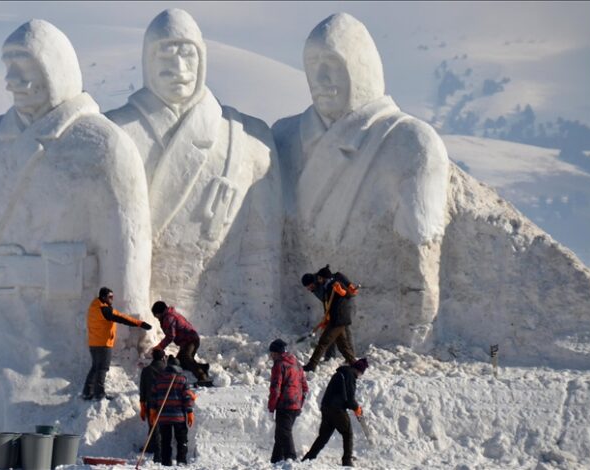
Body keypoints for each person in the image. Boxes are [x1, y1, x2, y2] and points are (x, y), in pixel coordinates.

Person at [0, 19, 152, 432]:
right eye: (9, 66)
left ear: (55, 69)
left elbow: (126, 250)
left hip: (61, 336)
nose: (12, 81)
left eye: (25, 66)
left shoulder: (103, 147)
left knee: (37, 430)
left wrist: (127, 335)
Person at [272, 13, 449, 348]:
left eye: (334, 64)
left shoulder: (410, 141)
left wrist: (416, 329)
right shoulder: (284, 138)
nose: (320, 78)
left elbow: (420, 249)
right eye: (313, 65)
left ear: (361, 68)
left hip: (382, 326)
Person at [106, 8, 282, 334]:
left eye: (188, 54)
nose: (178, 68)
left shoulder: (245, 137)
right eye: (165, 55)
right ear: (147, 61)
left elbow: (262, 249)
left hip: (226, 318)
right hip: (143, 318)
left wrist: (261, 319)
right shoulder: (114, 132)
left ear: (203, 59)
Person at [83, 287, 153, 400]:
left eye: (113, 297)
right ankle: (99, 394)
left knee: (95, 367)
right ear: (103, 297)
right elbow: (121, 318)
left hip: (94, 343)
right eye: (110, 297)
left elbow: (116, 314)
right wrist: (140, 323)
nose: (112, 299)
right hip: (103, 344)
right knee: (102, 368)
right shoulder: (104, 309)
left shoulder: (95, 306)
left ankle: (87, 391)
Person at [303, 357, 369, 467]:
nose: (360, 376)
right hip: (337, 409)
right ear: (359, 370)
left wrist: (353, 406)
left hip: (326, 407)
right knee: (347, 433)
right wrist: (357, 408)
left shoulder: (341, 373)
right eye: (361, 373)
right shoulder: (350, 375)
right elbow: (350, 398)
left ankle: (308, 458)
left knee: (323, 436)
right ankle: (347, 461)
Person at [300, 265, 358, 371]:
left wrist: (348, 287)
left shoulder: (333, 283)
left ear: (318, 279)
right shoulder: (325, 286)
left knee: (325, 340)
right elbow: (327, 302)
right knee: (342, 343)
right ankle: (353, 363)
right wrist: (326, 317)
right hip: (334, 314)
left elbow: (346, 292)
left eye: (309, 286)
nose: (309, 289)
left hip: (341, 316)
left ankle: (312, 365)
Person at [151, 301, 211, 385]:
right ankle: (203, 367)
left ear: (159, 313)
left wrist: (160, 347)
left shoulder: (168, 318)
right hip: (187, 341)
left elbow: (170, 336)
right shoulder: (169, 315)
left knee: (187, 357)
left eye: (156, 315)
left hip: (190, 340)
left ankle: (202, 377)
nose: (156, 318)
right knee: (180, 363)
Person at [267, 339, 308, 463]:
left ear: (277, 353)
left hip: (284, 405)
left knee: (284, 433)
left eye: (272, 353)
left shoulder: (279, 365)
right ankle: (275, 461)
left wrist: (271, 408)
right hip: (295, 405)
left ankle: (291, 459)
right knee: (280, 434)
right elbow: (305, 387)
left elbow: (275, 388)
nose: (271, 356)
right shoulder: (296, 363)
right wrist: (300, 403)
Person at [150, 356, 196, 466]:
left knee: (165, 441)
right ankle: (181, 461)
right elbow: (187, 397)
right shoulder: (182, 380)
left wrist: (153, 410)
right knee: (181, 440)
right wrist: (189, 412)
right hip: (179, 417)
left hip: (163, 417)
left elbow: (153, 397)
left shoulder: (159, 380)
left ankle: (166, 462)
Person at [139, 348, 167, 462]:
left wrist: (142, 404)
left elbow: (143, 389)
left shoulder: (146, 370)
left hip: (151, 402)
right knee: (164, 426)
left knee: (153, 425)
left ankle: (155, 449)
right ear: (163, 357)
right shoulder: (167, 370)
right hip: (165, 401)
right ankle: (154, 447)